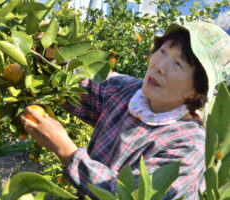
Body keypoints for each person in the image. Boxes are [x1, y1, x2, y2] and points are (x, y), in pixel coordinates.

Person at [20, 21, 230, 200]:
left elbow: (131, 196)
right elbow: (73, 83)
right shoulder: (128, 91)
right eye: (163, 51)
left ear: (197, 91)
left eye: (178, 64)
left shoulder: (187, 146)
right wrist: (51, 49)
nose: (159, 65)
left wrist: (67, 151)